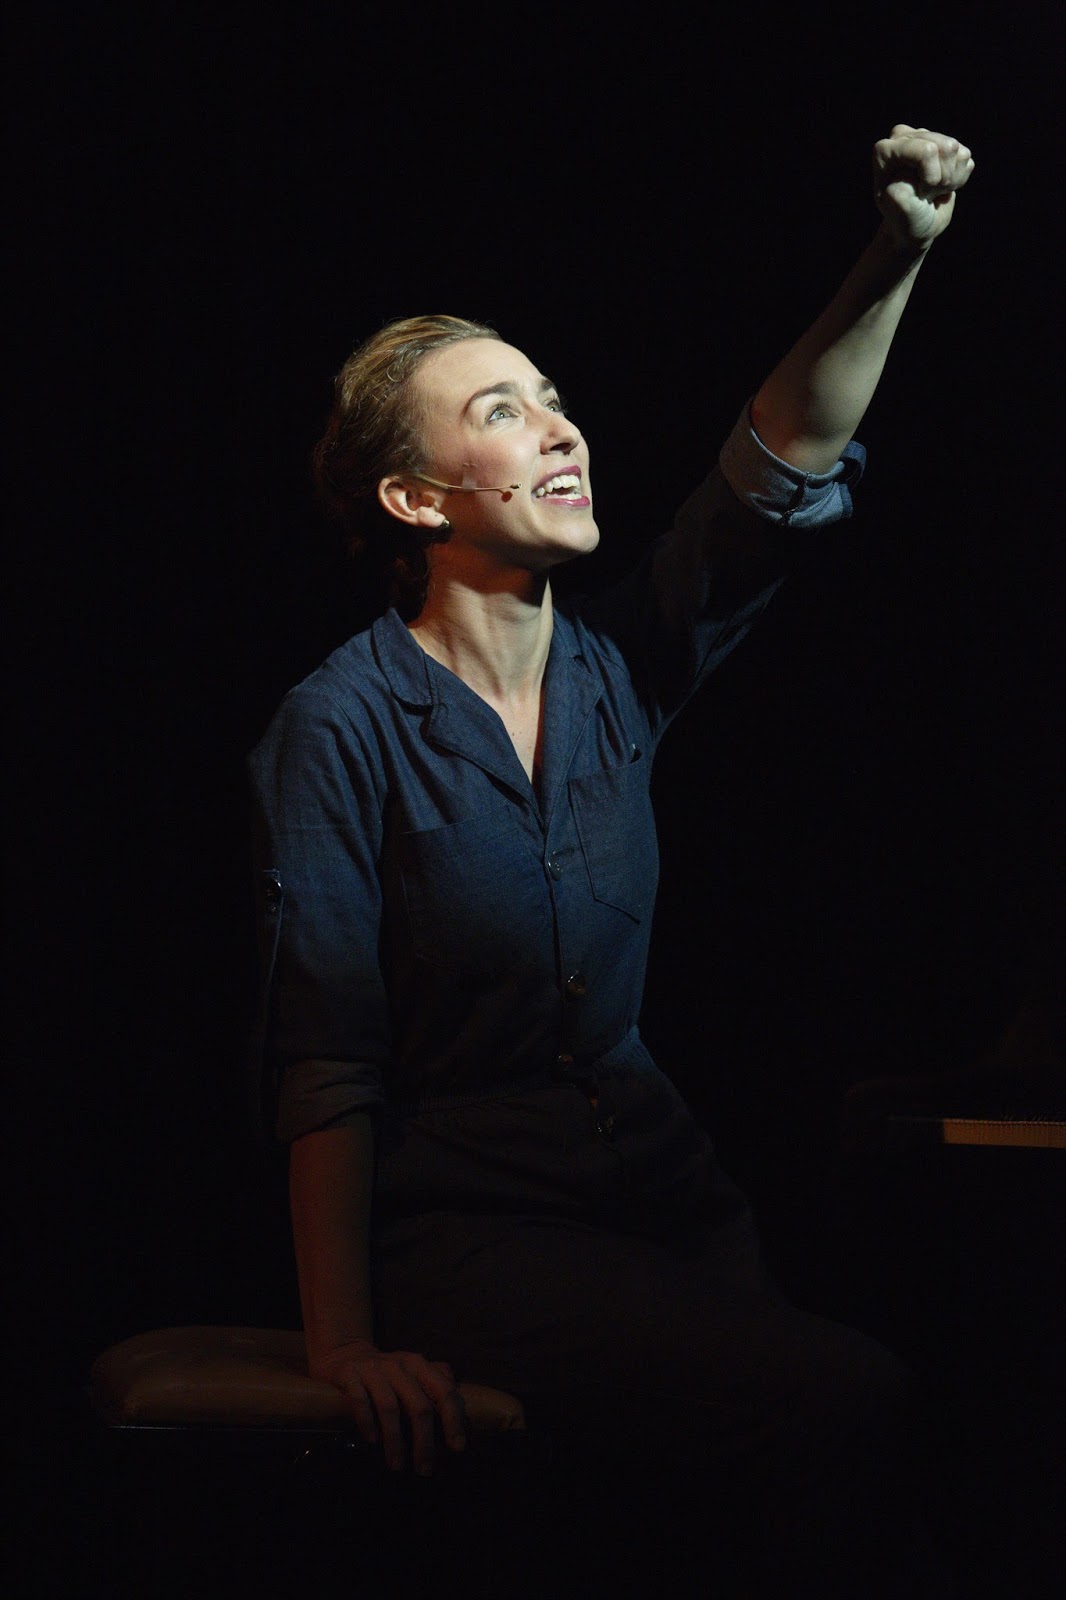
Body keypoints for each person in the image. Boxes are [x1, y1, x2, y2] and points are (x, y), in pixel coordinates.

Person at [250, 126, 974, 1594]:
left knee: (836, 1467)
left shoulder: (618, 667)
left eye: (556, 402)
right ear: (415, 500)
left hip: (666, 1199)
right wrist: (343, 1343)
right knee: (847, 1404)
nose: (560, 430)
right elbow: (324, 1054)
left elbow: (774, 469)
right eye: (502, 412)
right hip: (472, 1233)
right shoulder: (339, 723)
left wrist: (896, 255)